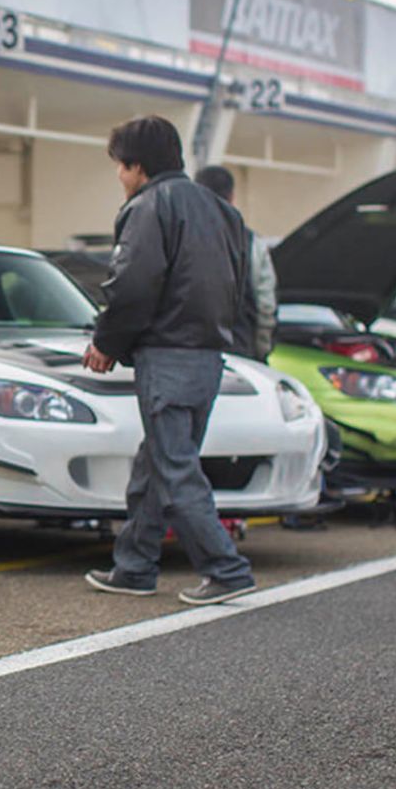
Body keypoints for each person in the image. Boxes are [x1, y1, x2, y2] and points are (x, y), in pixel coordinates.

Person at [83, 116, 256, 607]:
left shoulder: (149, 206)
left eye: (120, 166)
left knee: (175, 469)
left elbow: (133, 285)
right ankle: (134, 566)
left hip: (168, 355)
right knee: (158, 463)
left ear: (137, 166)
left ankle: (225, 569)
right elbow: (239, 286)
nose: (119, 175)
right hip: (209, 357)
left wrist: (107, 342)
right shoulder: (223, 212)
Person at [194, 164, 277, 359]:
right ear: (232, 196)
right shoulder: (251, 242)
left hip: (192, 356)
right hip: (241, 354)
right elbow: (265, 305)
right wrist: (260, 349)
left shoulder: (181, 236)